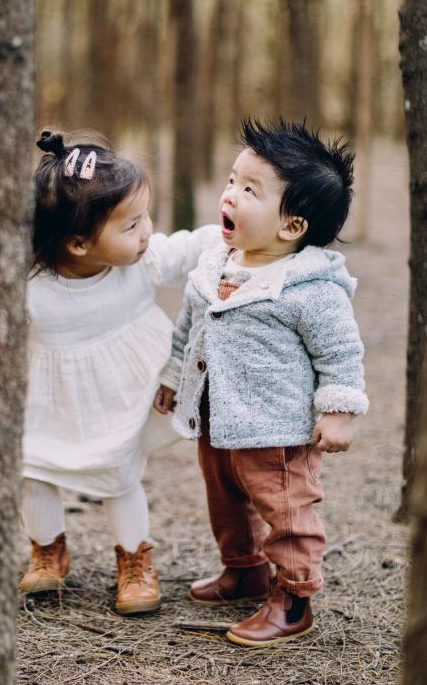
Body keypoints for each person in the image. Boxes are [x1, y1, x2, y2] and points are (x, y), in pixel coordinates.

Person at [154, 119, 368, 647]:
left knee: (286, 510)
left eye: (250, 190)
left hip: (277, 429)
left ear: (292, 226)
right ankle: (244, 569)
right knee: (225, 499)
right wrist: (171, 377)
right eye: (232, 180)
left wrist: (338, 410)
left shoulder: (310, 289)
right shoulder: (214, 266)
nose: (230, 194)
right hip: (217, 417)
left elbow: (341, 353)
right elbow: (190, 329)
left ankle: (294, 598)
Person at [21, 130, 219, 616]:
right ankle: (48, 550)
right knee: (33, 467)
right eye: (131, 225)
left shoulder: (142, 262)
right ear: (77, 243)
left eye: (145, 216)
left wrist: (230, 238)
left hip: (128, 391)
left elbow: (190, 248)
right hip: (51, 396)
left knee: (118, 472)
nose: (147, 231)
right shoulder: (29, 286)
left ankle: (134, 557)